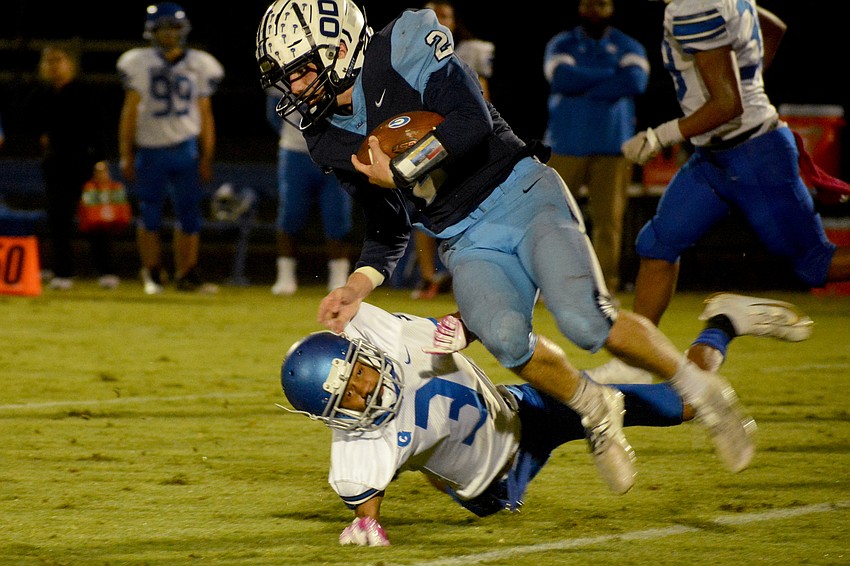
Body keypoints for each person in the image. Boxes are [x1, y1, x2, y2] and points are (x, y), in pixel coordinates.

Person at [256, 0, 761, 497]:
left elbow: (470, 121)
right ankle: (593, 407)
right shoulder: (325, 137)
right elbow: (387, 226)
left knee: (585, 321)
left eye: (299, 71)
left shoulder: (403, 45)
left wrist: (405, 169)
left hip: (521, 192)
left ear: (340, 49)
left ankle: (704, 392)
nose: (294, 87)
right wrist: (356, 285)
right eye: (287, 76)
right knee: (504, 338)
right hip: (462, 237)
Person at [279, 301, 695, 546]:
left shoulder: (391, 334)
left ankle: (720, 331)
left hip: (520, 407)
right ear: (331, 418)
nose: (363, 393)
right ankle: (433, 463)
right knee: (432, 456)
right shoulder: (360, 447)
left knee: (688, 405)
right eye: (346, 399)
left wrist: (465, 325)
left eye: (358, 376)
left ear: (362, 351)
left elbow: (475, 315)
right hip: (496, 484)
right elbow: (365, 500)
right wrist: (366, 523)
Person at [595, 0, 841, 381]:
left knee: (815, 265)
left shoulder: (693, 7)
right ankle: (636, 361)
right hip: (714, 157)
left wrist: (659, 136)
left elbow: (726, 104)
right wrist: (749, 82)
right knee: (658, 246)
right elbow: (773, 26)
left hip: (755, 156)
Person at [118, 2, 224, 294]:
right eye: (163, 28)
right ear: (152, 31)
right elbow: (130, 112)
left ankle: (187, 272)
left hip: (185, 149)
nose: (168, 34)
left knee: (189, 214)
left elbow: (206, 114)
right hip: (150, 149)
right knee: (149, 213)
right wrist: (126, 152)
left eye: (173, 27)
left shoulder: (200, 64)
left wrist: (206, 155)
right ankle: (152, 272)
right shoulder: (138, 62)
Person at [543, 0, 649, 293]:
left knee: (609, 223)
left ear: (612, 9)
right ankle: (551, 284)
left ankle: (604, 289)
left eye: (601, 4)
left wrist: (584, 84)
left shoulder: (627, 44)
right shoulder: (562, 43)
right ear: (579, 8)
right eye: (589, 4)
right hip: (566, 144)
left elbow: (636, 83)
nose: (594, 10)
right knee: (551, 219)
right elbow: (561, 79)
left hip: (613, 146)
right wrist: (612, 74)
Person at [409, 0, 495, 300]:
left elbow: (483, 97)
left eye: (444, 15)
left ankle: (473, 274)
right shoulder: (411, 55)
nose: (437, 20)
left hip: (462, 138)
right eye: (431, 15)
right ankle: (428, 276)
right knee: (423, 206)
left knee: (473, 206)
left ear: (455, 21)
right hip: (428, 139)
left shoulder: (471, 52)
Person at [34, 41, 120, 291]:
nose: (53, 67)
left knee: (93, 218)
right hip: (54, 163)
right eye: (48, 61)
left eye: (58, 60)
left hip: (82, 162)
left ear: (70, 64)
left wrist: (100, 162)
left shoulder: (83, 91)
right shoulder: (43, 93)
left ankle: (106, 271)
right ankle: (63, 272)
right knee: (58, 218)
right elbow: (28, 121)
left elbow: (98, 129)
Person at [265, 92, 352, 295]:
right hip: (295, 152)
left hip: (334, 153)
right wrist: (296, 137)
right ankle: (285, 276)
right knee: (291, 214)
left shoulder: (343, 69)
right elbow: (273, 114)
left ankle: (339, 278)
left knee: (337, 215)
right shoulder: (286, 70)